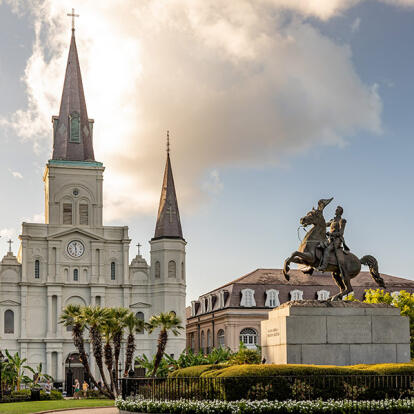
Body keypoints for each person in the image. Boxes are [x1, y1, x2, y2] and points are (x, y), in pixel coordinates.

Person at [318, 206, 349, 272]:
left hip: (337, 240)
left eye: (337, 210)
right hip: (330, 239)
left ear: (340, 212)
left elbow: (341, 232)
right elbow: (324, 224)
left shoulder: (342, 221)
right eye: (336, 209)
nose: (335, 210)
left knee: (327, 250)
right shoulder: (333, 220)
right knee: (319, 245)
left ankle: (324, 266)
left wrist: (331, 234)